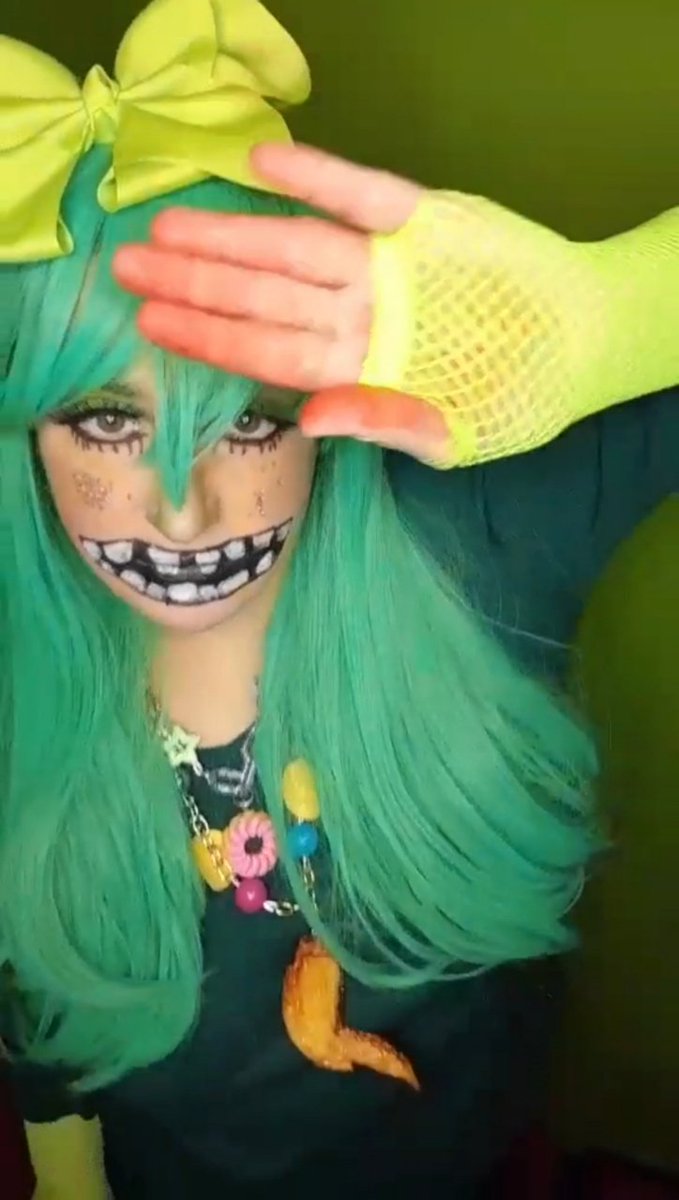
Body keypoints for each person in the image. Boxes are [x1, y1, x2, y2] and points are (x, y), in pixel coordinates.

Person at [1, 2, 678, 1198]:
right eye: (106, 420)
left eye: (244, 421)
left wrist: (613, 316)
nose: (181, 513)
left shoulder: (475, 541)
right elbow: (36, 1011)